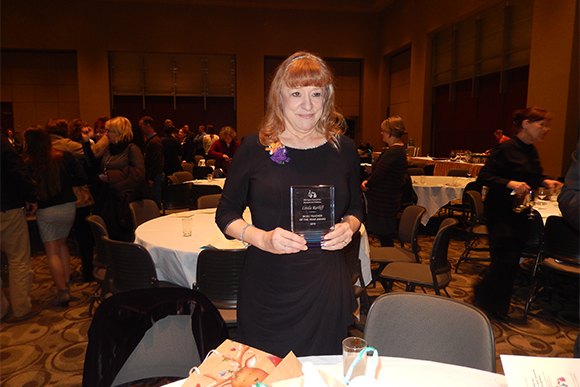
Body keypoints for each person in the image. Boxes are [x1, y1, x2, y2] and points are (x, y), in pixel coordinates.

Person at [216, 51, 363, 357]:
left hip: (325, 287)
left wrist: (350, 226)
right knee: (267, 373)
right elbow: (226, 214)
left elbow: (356, 207)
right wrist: (262, 237)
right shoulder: (253, 148)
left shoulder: (344, 149)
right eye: (296, 93)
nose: (307, 105)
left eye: (315, 94)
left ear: (327, 98)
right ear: (279, 97)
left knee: (321, 373)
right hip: (268, 287)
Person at [474, 107, 563, 321]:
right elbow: (484, 176)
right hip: (500, 212)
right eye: (541, 125)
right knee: (507, 259)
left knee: (510, 261)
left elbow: (531, 176)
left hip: (520, 212)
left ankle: (486, 296)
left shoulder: (531, 150)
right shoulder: (505, 149)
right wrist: (510, 183)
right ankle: (493, 307)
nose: (545, 129)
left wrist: (543, 181)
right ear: (525, 124)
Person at [23, 125, 88, 307]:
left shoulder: (27, 162)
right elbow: (82, 178)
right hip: (68, 206)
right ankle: (66, 282)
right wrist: (65, 184)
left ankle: (62, 291)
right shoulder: (64, 156)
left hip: (45, 209)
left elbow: (25, 187)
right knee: (62, 244)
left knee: (52, 251)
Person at [47, 118, 101, 282]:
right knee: (83, 237)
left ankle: (63, 277)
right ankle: (87, 272)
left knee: (57, 243)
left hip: (50, 199)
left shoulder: (42, 147)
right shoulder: (68, 145)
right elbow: (93, 153)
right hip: (77, 198)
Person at [82, 117, 150, 241]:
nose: (106, 134)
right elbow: (92, 164)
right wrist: (86, 142)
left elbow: (139, 174)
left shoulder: (132, 149)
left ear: (119, 132)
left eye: (109, 131)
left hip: (124, 199)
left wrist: (111, 177)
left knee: (120, 235)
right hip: (107, 197)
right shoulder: (109, 148)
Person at [1, 132, 41, 321]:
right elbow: (15, 166)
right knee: (18, 258)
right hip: (6, 205)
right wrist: (30, 196)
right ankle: (21, 307)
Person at [360, 116, 408, 246]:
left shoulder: (394, 152)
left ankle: (386, 262)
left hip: (384, 199)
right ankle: (385, 262)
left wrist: (366, 185)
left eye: (384, 131)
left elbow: (379, 174)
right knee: (384, 234)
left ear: (391, 132)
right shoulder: (397, 150)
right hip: (387, 198)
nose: (381, 133)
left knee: (385, 234)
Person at [139, 116, 165, 208]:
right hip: (152, 175)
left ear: (148, 126)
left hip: (155, 176)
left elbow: (157, 162)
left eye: (141, 126)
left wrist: (151, 178)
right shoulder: (150, 141)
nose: (140, 129)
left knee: (155, 201)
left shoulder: (155, 142)